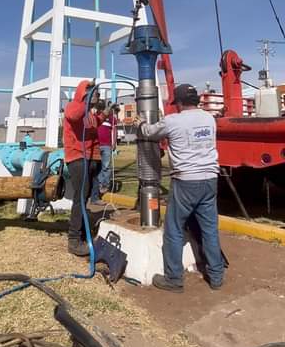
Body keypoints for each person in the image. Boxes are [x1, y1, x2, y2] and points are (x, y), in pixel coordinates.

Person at [136, 83, 224, 292]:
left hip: (186, 181)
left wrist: (140, 123)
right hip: (210, 179)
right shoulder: (209, 119)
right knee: (210, 229)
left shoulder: (173, 121)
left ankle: (174, 279)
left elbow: (149, 132)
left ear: (181, 102)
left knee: (174, 229)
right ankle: (217, 276)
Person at [63, 79, 109, 257]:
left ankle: (82, 234)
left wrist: (105, 113)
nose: (98, 94)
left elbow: (94, 123)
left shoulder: (88, 112)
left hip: (90, 158)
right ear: (84, 93)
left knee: (86, 197)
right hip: (78, 157)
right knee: (80, 198)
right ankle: (74, 240)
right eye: (93, 91)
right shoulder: (73, 106)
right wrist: (88, 99)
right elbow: (74, 116)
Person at [90, 100, 118, 204]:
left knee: (106, 166)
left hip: (106, 145)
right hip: (96, 145)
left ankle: (104, 185)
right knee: (97, 167)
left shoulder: (111, 118)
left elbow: (114, 130)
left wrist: (114, 142)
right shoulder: (95, 116)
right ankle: (97, 187)